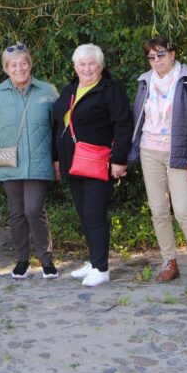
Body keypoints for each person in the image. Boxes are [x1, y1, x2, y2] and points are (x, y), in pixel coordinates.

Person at [129, 36, 187, 288]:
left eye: (160, 54)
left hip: (179, 153)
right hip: (150, 151)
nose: (156, 60)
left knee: (182, 210)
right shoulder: (144, 81)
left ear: (173, 54)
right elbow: (138, 118)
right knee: (158, 210)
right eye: (151, 56)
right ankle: (169, 261)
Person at [52, 43, 133, 287]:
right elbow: (58, 126)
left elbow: (123, 124)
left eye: (92, 64)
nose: (87, 69)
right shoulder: (69, 90)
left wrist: (119, 159)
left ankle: (101, 268)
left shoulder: (110, 90)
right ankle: (93, 260)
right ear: (75, 66)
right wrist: (56, 159)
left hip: (98, 163)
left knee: (94, 213)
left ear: (101, 66)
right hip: (71, 163)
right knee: (83, 212)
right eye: (82, 64)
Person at [0, 43, 61, 279]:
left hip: (39, 160)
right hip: (9, 162)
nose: (19, 68)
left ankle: (46, 260)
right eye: (13, 65)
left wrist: (57, 161)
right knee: (16, 212)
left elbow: (58, 131)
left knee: (34, 209)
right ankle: (22, 260)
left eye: (23, 63)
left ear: (30, 64)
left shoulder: (47, 91)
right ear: (6, 69)